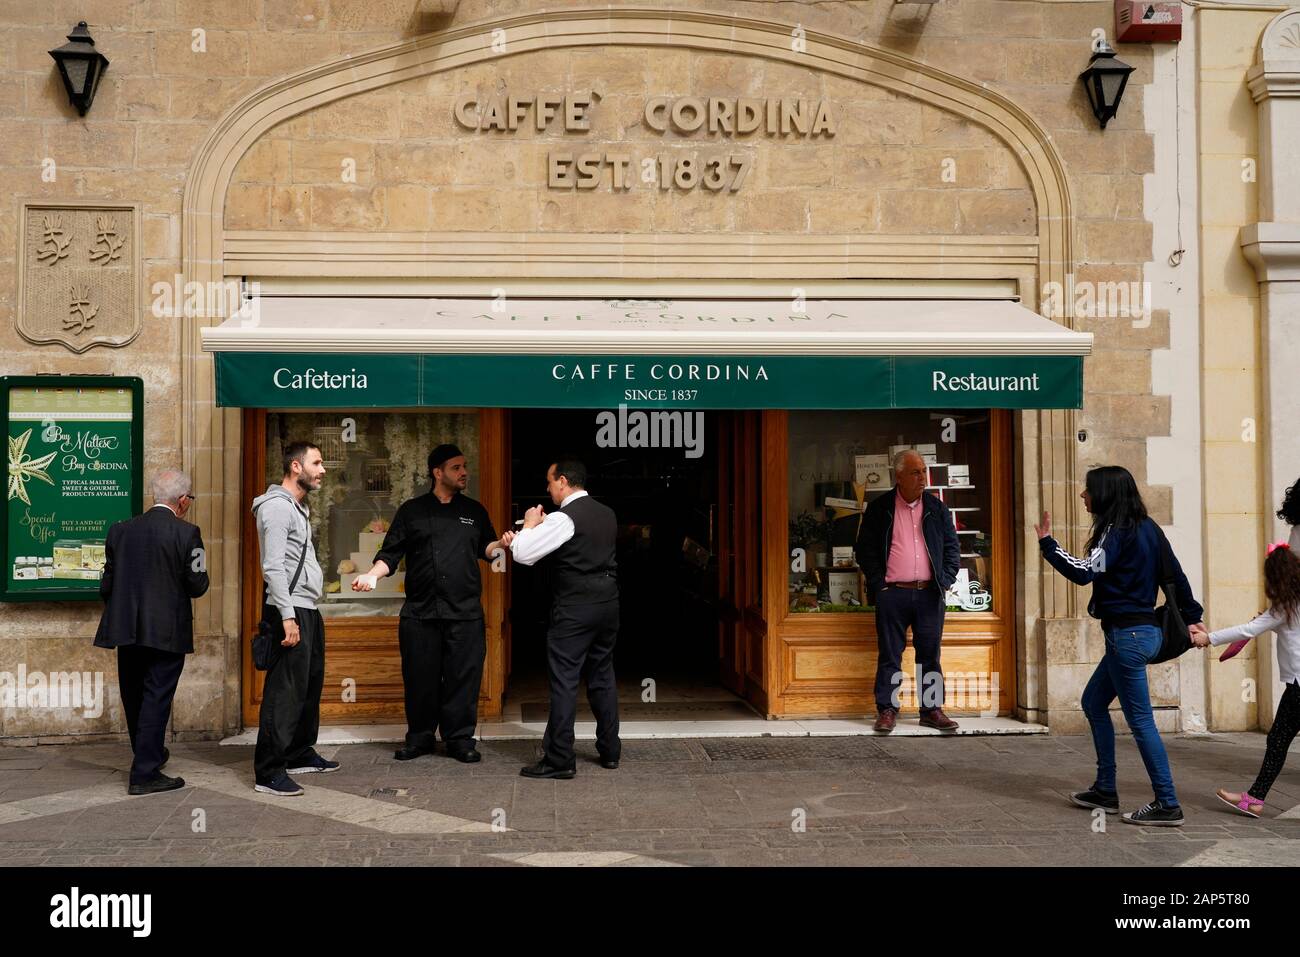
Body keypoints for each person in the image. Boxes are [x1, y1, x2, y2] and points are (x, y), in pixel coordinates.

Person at [1036, 464, 1206, 826]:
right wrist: (1192, 616)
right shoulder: (1150, 529)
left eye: (1088, 490)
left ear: (1106, 494)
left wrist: (1048, 544)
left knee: (1141, 721)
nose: (1083, 495)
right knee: (1093, 702)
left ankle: (1167, 801)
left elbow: (1083, 572)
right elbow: (1175, 576)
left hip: (1127, 637)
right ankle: (1105, 788)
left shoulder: (1115, 531)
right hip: (1142, 635)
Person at [353, 444, 509, 763]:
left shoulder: (474, 511)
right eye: (456, 467)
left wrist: (504, 544)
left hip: (464, 613)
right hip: (420, 613)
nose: (464, 472)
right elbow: (391, 553)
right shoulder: (412, 511)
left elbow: (488, 549)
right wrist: (372, 575)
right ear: (438, 473)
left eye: (465, 466)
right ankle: (420, 737)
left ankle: (460, 739)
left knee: (462, 679)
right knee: (419, 678)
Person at [94, 469, 209, 795]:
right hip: (166, 631)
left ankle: (150, 753)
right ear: (183, 501)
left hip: (127, 628)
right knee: (157, 696)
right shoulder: (189, 534)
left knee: (134, 694)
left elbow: (108, 583)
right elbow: (197, 584)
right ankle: (144, 773)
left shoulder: (120, 531)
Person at [506, 459, 620, 778]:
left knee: (565, 680)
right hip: (608, 603)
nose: (547, 487)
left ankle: (559, 759)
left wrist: (529, 525)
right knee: (602, 674)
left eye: (549, 481)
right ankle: (610, 750)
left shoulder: (564, 518)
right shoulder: (607, 513)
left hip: (576, 607)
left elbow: (524, 555)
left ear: (563, 482)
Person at [251, 441, 338, 796]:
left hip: (306, 607)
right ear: (295, 467)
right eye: (317, 463)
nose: (323, 469)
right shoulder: (276, 508)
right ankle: (268, 772)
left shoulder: (298, 508)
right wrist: (287, 617)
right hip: (287, 608)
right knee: (284, 692)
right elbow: (272, 566)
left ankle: (299, 751)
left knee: (308, 684)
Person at [854, 449, 962, 733]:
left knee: (930, 655)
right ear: (898, 476)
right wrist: (880, 585)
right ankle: (887, 709)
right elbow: (864, 550)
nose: (922, 478)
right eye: (915, 472)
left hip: (929, 594)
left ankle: (931, 709)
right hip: (893, 594)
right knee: (890, 654)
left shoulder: (936, 509)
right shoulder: (881, 508)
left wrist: (946, 579)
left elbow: (952, 548)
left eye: (923, 471)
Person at [1194, 541, 1300, 817]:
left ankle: (1255, 799)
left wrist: (1209, 638)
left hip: (1299, 686)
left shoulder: (1283, 608)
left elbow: (1247, 630)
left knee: (1278, 741)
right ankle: (1255, 798)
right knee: (1278, 740)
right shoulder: (1289, 609)